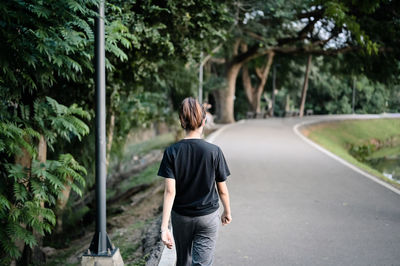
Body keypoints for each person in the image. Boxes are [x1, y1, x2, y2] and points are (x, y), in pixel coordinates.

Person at [158, 97, 232, 266]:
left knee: (183, 261)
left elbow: (170, 192)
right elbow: (222, 190)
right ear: (204, 121)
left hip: (181, 217)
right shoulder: (214, 151)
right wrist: (227, 211)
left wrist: (164, 228)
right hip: (208, 217)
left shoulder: (171, 152)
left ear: (181, 121)